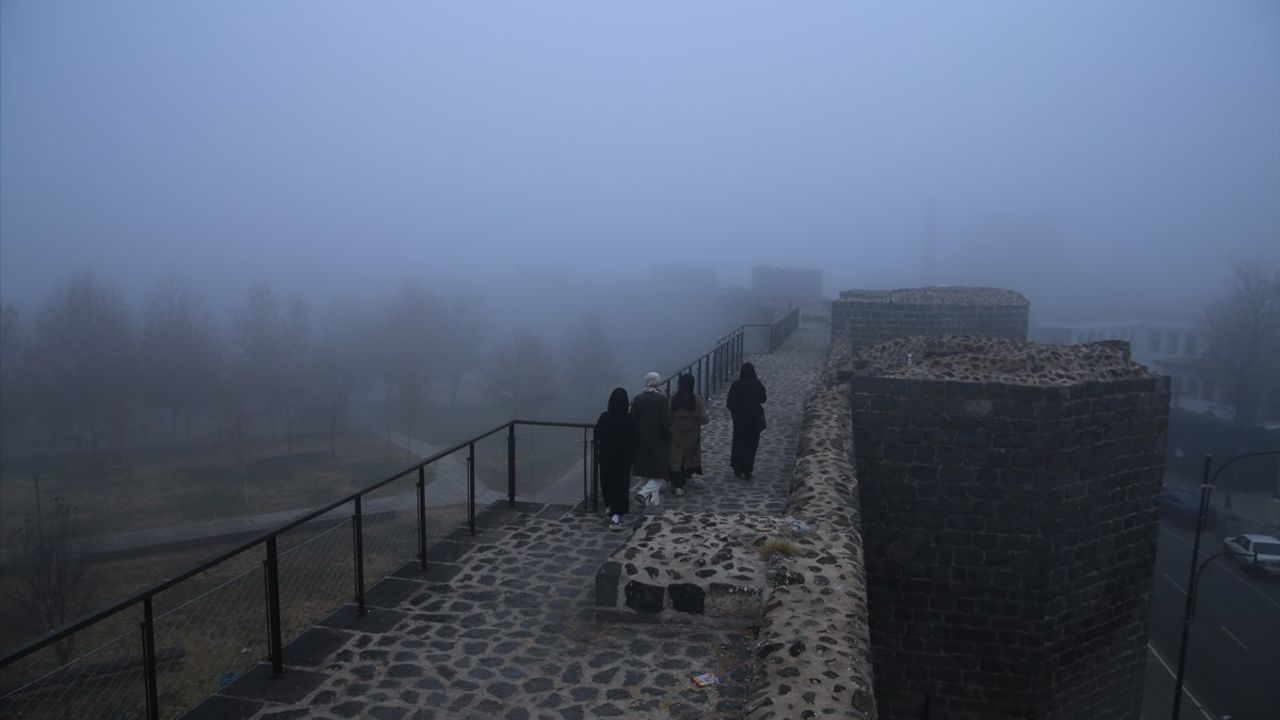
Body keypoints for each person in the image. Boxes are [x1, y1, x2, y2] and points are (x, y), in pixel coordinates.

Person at [594, 387, 635, 529]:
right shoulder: (629, 419)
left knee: (607, 482)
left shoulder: (604, 417)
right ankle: (616, 516)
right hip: (623, 458)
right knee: (621, 485)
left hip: (606, 456)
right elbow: (636, 439)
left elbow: (597, 434)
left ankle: (609, 506)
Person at [630, 372, 671, 506]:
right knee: (659, 473)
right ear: (658, 383)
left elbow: (632, 420)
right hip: (658, 440)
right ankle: (644, 493)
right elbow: (665, 421)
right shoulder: (661, 399)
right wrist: (669, 437)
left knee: (646, 473)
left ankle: (652, 505)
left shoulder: (638, 399)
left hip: (640, 440)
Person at [669, 373, 708, 497]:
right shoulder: (696, 399)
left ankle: (677, 484)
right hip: (691, 435)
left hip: (675, 434)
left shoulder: (674, 398)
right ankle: (687, 477)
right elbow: (704, 419)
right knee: (688, 456)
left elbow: (667, 415)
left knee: (676, 458)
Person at [726, 362, 767, 479]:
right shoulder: (757, 384)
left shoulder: (736, 385)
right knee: (751, 443)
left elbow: (730, 403)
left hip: (739, 419)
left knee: (738, 441)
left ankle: (737, 466)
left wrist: (735, 412)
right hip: (754, 418)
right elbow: (763, 399)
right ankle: (748, 468)